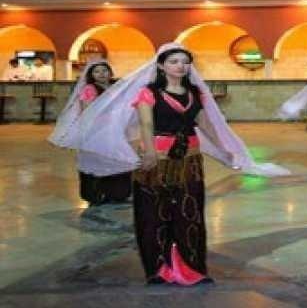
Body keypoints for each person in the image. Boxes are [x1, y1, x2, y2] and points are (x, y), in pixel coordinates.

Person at [63, 43, 288, 285]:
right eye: (174, 61)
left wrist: (225, 150)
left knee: (189, 213)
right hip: (156, 160)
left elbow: (206, 125)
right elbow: (146, 125)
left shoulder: (195, 94)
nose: (180, 66)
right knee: (154, 213)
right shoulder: (147, 93)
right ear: (161, 65)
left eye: (184, 61)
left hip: (189, 161)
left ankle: (192, 268)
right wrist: (148, 152)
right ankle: (159, 269)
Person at [49, 60, 131, 205]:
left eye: (104, 71)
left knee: (117, 159)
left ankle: (117, 193)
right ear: (91, 74)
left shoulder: (116, 87)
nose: (101, 74)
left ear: (110, 72)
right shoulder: (89, 89)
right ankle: (96, 194)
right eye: (97, 71)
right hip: (97, 131)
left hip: (115, 130)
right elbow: (88, 111)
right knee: (97, 162)